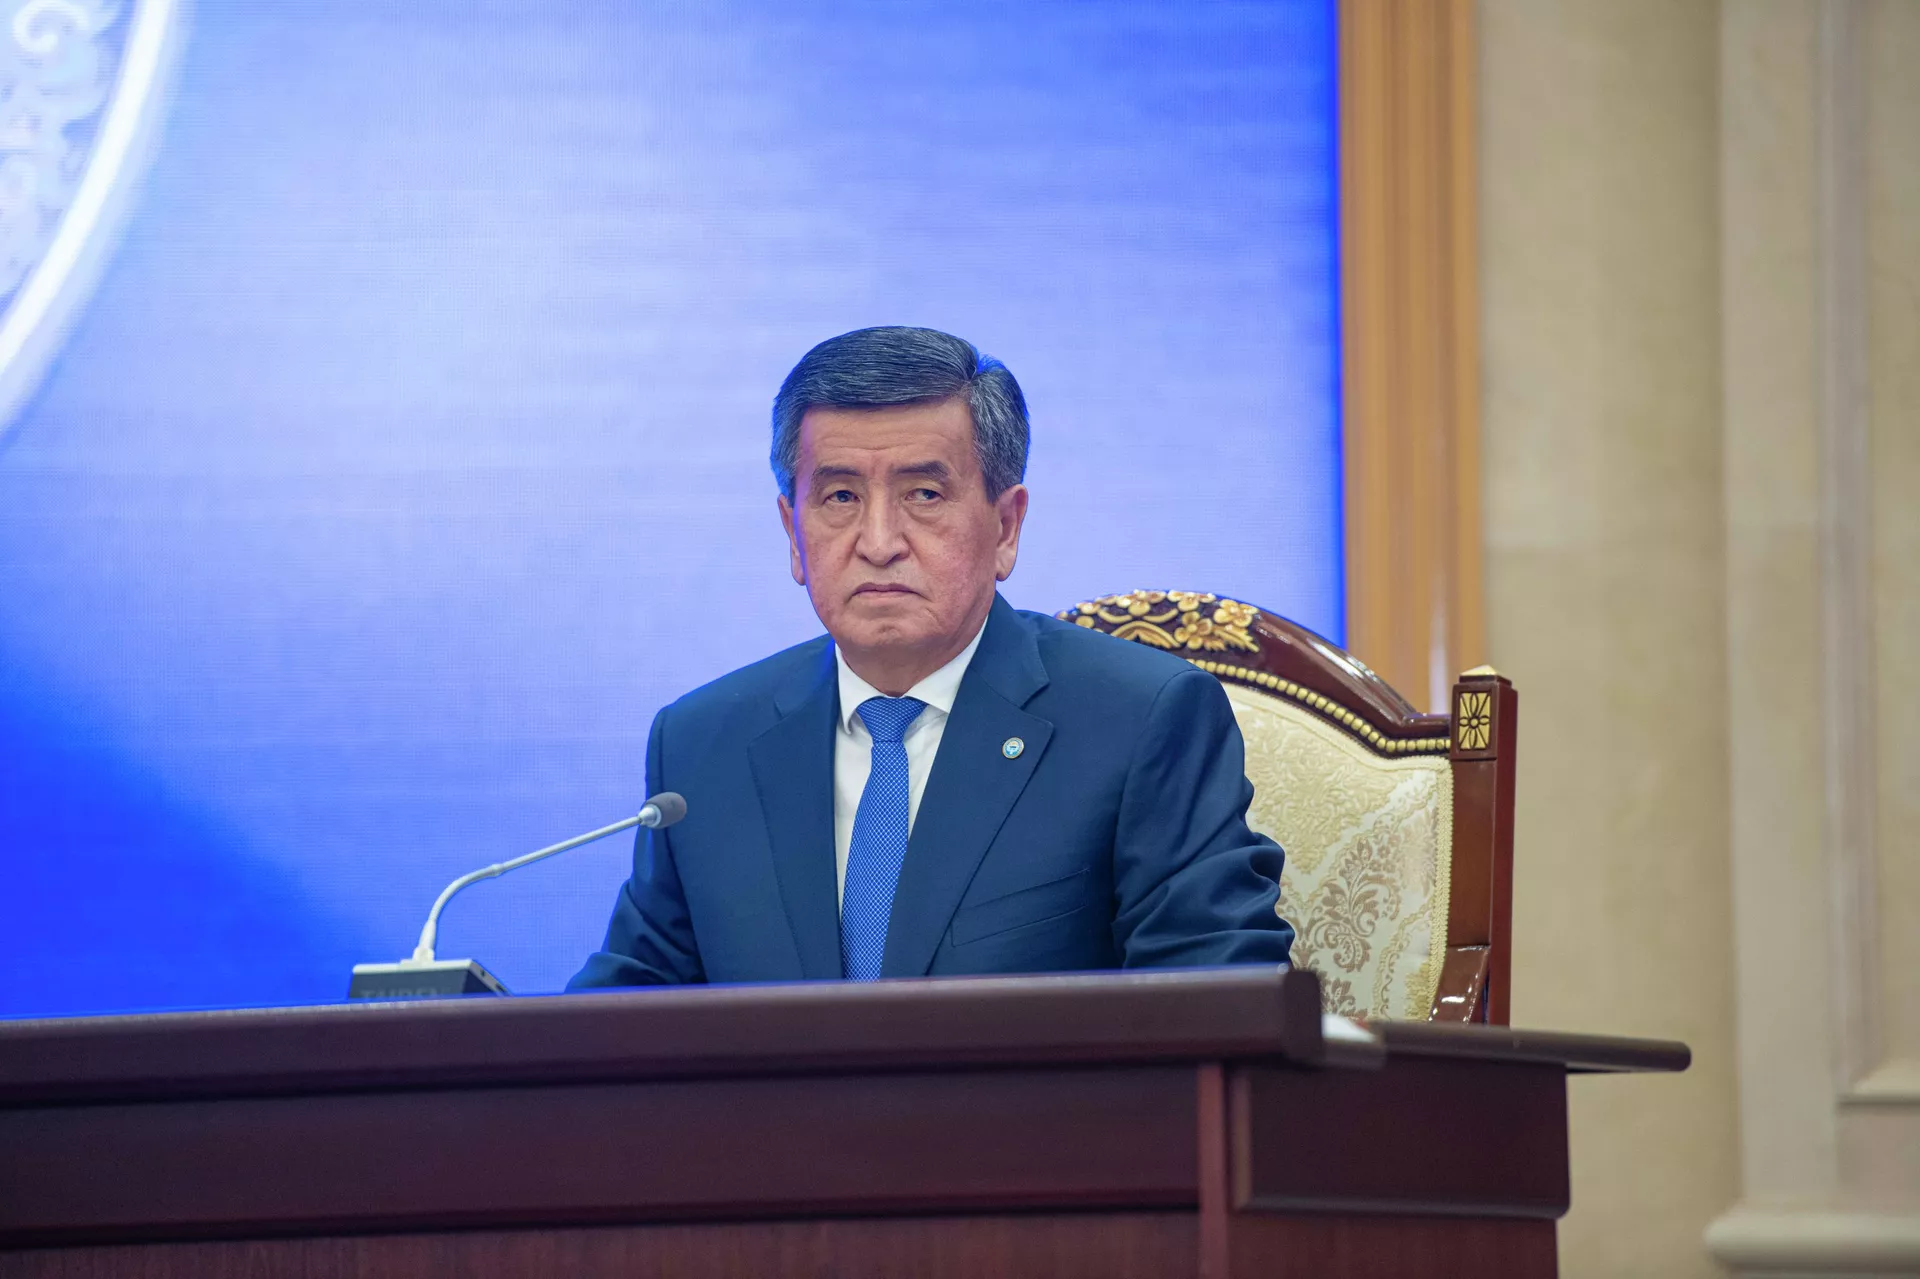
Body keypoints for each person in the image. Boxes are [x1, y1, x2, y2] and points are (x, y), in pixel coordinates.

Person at [569, 326, 1292, 986]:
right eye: (841, 496)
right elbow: (626, 1020)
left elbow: (1221, 1001)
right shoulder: (702, 746)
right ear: (793, 533)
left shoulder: (1137, 722)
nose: (879, 541)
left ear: (1005, 527)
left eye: (922, 493)